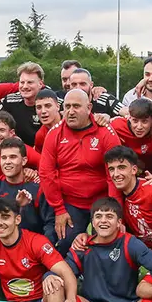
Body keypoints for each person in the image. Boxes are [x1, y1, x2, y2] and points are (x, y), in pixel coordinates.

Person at [38, 89, 122, 251]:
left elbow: (115, 175)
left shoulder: (105, 132)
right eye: (67, 106)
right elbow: (46, 174)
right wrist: (59, 210)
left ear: (89, 107)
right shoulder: (54, 134)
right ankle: (65, 274)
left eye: (76, 106)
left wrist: (116, 212)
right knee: (65, 242)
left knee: (110, 244)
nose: (70, 111)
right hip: (71, 202)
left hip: (101, 200)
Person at [0, 138, 55, 240]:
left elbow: (51, 222)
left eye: (13, 157)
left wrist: (43, 246)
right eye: (4, 158)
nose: (7, 162)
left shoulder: (38, 187)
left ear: (24, 161)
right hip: (3, 245)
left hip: (32, 245)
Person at [109, 98, 152, 181]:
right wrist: (104, 117)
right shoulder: (117, 125)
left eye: (144, 121)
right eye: (135, 121)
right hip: (127, 177)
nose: (139, 127)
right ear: (129, 117)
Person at [0, 61, 48, 146]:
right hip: (15, 151)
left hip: (44, 150)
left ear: (40, 84)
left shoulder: (51, 101)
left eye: (30, 82)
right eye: (22, 82)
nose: (25, 86)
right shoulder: (10, 100)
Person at [0, 111, 41, 178]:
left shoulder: (25, 151)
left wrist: (34, 173)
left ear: (12, 133)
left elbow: (46, 168)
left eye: (2, 130)